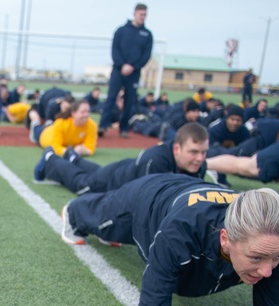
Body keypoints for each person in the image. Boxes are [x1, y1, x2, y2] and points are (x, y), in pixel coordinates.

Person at [62, 175, 279, 306]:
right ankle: (73, 211)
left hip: (189, 193)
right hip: (150, 197)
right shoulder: (179, 234)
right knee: (98, 218)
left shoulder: (277, 238)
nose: (268, 271)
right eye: (256, 258)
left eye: (277, 257)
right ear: (225, 239)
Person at [34, 121, 209, 195]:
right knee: (83, 185)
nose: (199, 158)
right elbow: (144, 203)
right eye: (193, 152)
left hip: (127, 168)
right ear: (177, 148)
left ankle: (73, 157)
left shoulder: (198, 164)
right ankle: (50, 159)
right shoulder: (155, 162)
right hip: (116, 183)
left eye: (203, 152)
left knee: (98, 172)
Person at [98, 3, 153, 139]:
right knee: (111, 97)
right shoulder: (121, 31)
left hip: (134, 73)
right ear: (134, 13)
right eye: (141, 14)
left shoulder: (147, 35)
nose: (143, 17)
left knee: (130, 101)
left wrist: (133, 66)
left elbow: (146, 55)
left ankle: (124, 128)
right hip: (118, 70)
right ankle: (103, 125)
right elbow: (114, 49)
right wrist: (122, 65)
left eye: (145, 15)